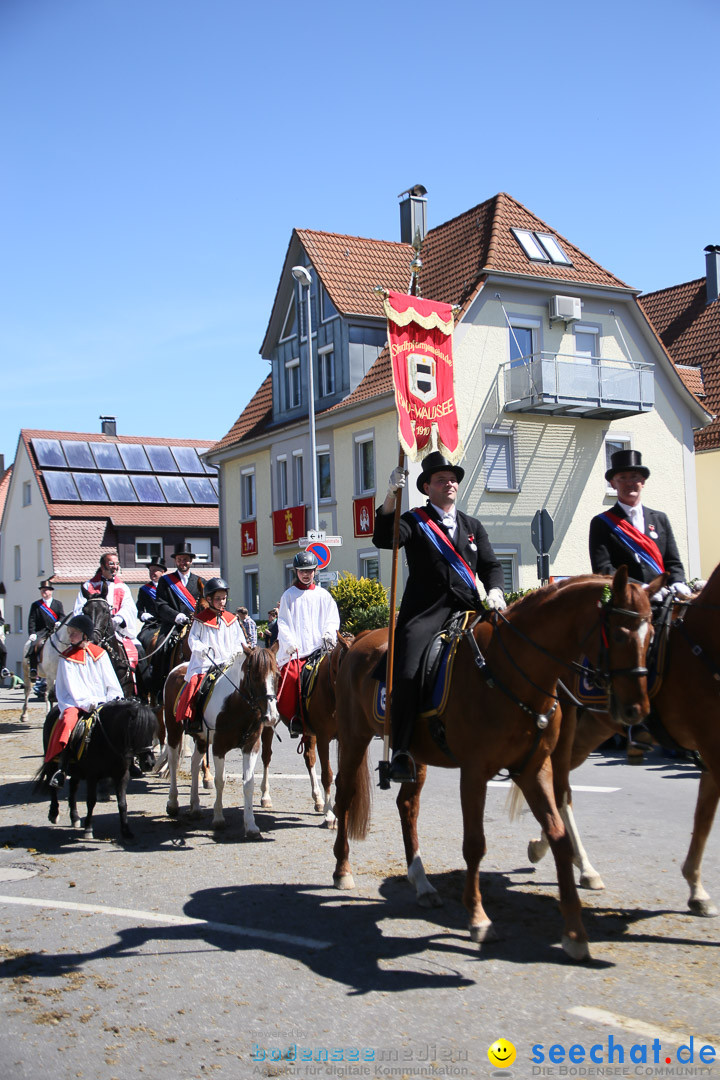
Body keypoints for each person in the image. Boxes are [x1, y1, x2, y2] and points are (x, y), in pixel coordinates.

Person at [373, 451, 506, 782]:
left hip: (471, 607)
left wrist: (496, 591)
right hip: (427, 612)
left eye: (452, 479)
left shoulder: (472, 526)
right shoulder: (415, 521)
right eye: (441, 480)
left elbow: (491, 565)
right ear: (427, 487)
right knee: (407, 669)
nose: (449, 484)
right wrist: (391, 496)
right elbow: (383, 537)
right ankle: (402, 749)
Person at [589, 450, 692, 594]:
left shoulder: (660, 519)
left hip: (663, 598)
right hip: (625, 602)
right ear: (613, 484)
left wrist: (677, 582)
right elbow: (603, 568)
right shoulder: (602, 523)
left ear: (642, 481)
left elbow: (672, 562)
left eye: (634, 477)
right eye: (622, 478)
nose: (629, 483)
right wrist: (640, 588)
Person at [45, 613, 124, 788]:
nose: (70, 636)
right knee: (67, 720)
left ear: (85, 635)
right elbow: (73, 690)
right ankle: (62, 766)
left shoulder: (100, 654)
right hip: (76, 703)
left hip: (102, 702)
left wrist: (112, 700)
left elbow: (112, 683)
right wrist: (87, 703)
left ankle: (127, 761)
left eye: (74, 632)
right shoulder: (66, 659)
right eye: (70, 632)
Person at [276, 552, 340, 735]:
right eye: (302, 571)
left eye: (309, 571)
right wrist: (290, 643)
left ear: (315, 571)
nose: (306, 574)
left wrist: (328, 635)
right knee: (293, 678)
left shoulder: (324, 595)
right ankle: (295, 717)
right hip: (297, 651)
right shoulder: (288, 595)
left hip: (320, 650)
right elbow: (283, 622)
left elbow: (332, 619)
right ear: (296, 572)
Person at [176, 578, 245, 734]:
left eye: (224, 598)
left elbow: (239, 640)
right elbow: (193, 639)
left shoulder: (231, 620)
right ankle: (192, 718)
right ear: (209, 599)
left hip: (228, 661)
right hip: (206, 663)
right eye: (218, 599)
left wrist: (237, 651)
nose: (222, 602)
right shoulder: (200, 621)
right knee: (195, 683)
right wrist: (202, 649)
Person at [74, 553, 140, 667]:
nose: (114, 566)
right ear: (102, 566)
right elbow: (79, 609)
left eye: (116, 564)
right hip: (92, 632)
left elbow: (129, 607)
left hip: (117, 632)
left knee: (139, 652)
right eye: (111, 563)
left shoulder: (123, 587)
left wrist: (119, 618)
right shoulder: (88, 586)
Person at [27, 580, 65, 677]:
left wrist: (59, 622)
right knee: (34, 645)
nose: (44, 592)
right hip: (42, 631)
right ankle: (33, 668)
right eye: (43, 590)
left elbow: (62, 616)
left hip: (55, 630)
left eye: (46, 590)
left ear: (51, 591)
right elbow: (32, 620)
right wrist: (32, 633)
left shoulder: (58, 604)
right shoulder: (36, 605)